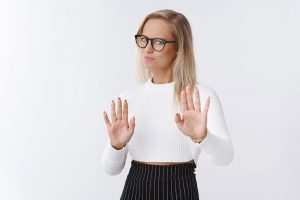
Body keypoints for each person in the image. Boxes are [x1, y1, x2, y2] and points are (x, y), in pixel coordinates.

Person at [101, 9, 234, 200]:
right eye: (143, 39)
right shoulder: (129, 97)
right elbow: (110, 170)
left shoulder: (200, 96)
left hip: (181, 190)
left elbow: (225, 158)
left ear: (179, 47)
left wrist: (202, 137)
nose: (147, 48)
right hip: (135, 190)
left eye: (158, 42)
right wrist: (116, 145)